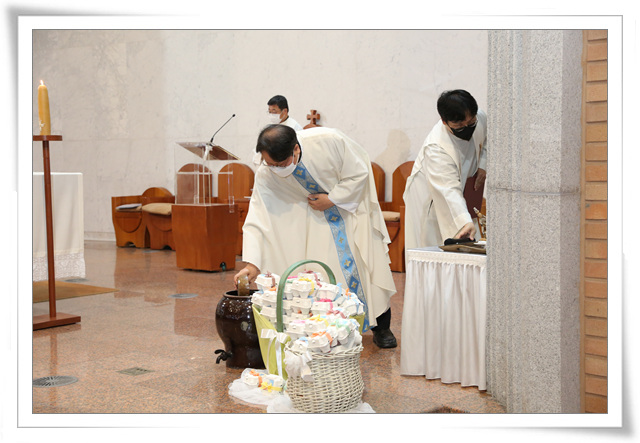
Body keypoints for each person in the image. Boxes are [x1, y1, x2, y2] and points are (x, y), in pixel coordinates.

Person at [234, 124, 398, 348]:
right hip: (309, 224)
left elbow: (359, 172)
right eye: (270, 164)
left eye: (280, 164)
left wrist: (333, 199)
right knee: (318, 279)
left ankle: (381, 326)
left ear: (296, 150)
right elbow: (258, 214)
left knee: (364, 267)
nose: (274, 169)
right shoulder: (266, 171)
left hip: (347, 212)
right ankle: (325, 333)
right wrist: (252, 263)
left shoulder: (328, 141)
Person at [403, 89, 487, 248]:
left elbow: (490, 137)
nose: (466, 128)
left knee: (468, 236)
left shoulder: (480, 117)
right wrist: (464, 221)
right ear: (443, 121)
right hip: (432, 198)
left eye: (470, 123)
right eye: (459, 125)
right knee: (432, 243)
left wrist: (483, 164)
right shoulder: (436, 149)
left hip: (462, 190)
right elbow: (448, 190)